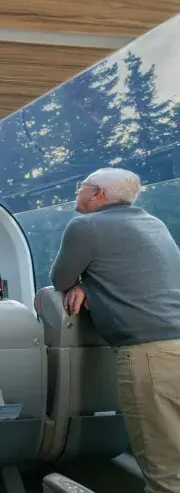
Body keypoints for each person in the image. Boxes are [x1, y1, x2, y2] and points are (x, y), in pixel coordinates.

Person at [50, 168, 180, 493]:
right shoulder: (154, 223)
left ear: (97, 195)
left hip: (149, 355)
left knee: (164, 470)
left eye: (81, 186)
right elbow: (140, 276)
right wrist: (92, 286)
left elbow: (60, 280)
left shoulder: (86, 226)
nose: (76, 192)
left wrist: (79, 284)